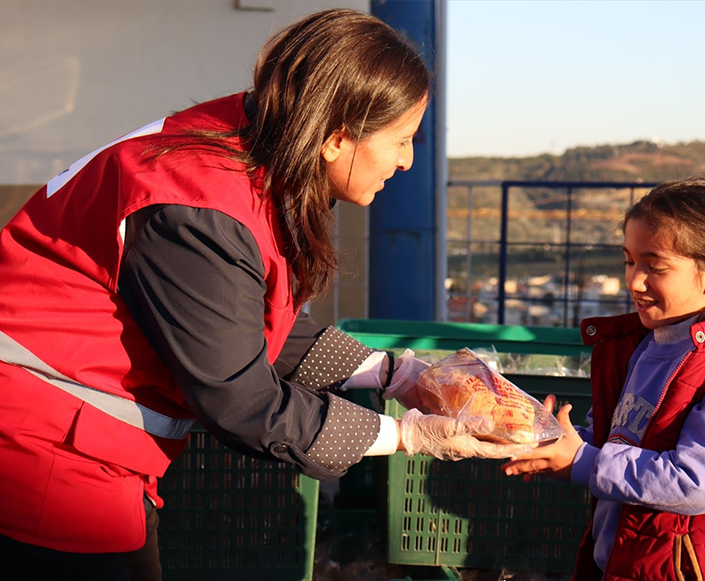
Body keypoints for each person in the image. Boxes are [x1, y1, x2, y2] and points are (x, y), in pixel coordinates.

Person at [0, 8, 523, 580]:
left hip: (82, 448)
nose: (407, 160)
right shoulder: (196, 209)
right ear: (336, 137)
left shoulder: (249, 142)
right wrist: (405, 436)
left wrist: (398, 374)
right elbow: (243, 400)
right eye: (401, 139)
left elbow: (243, 321)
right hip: (42, 452)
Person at [502, 177, 705, 580]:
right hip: (633, 562)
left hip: (698, 567)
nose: (633, 281)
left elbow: (701, 483)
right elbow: (619, 440)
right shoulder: (643, 347)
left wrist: (580, 459)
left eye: (655, 266)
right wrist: (545, 437)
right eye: (629, 261)